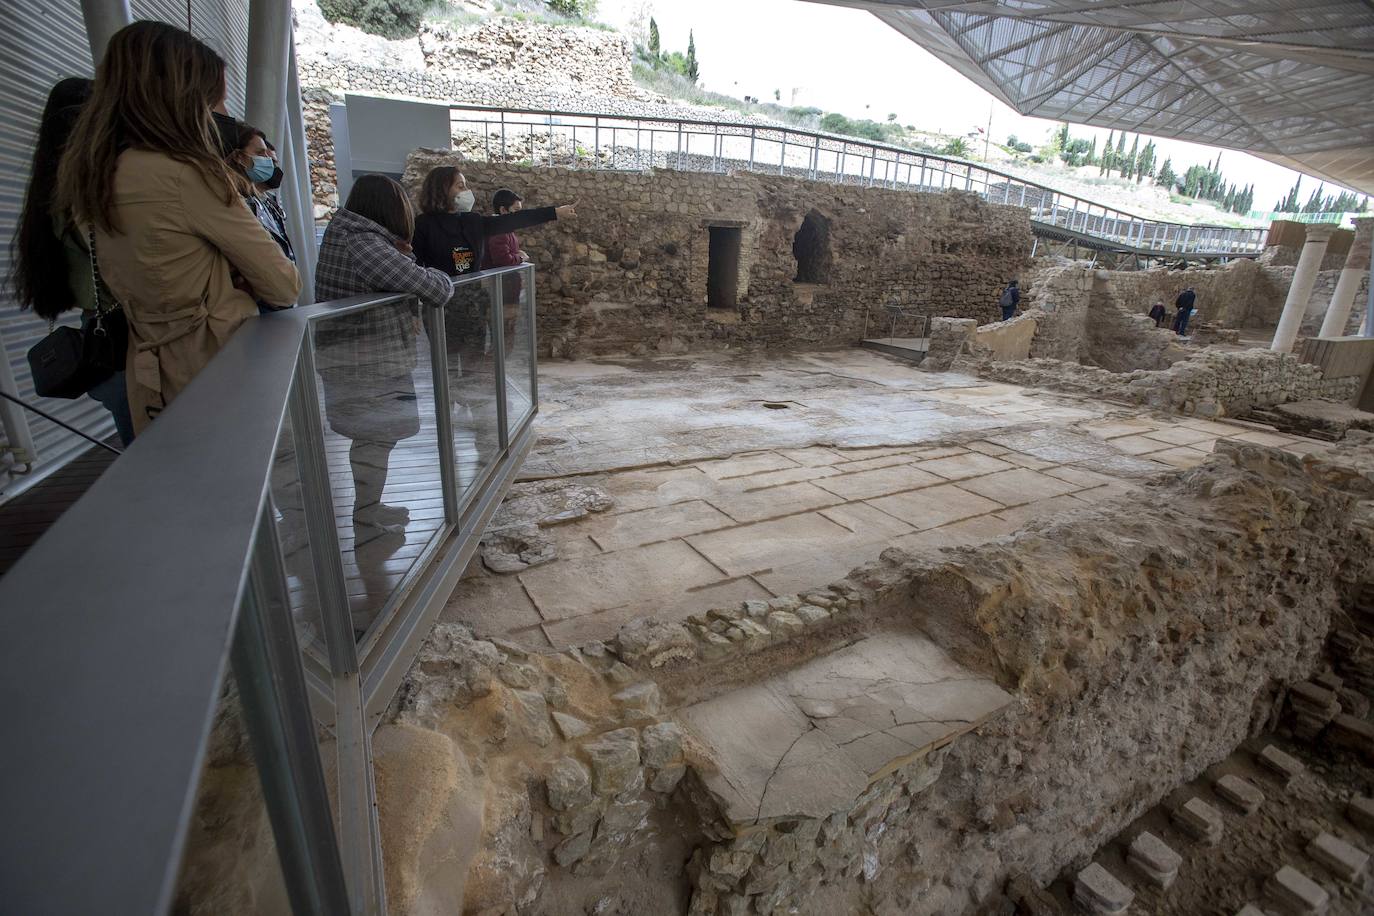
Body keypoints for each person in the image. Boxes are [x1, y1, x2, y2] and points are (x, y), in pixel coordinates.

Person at [57, 21, 300, 434]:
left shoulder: (93, 174)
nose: (216, 119)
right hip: (219, 367)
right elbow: (283, 284)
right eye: (212, 106)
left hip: (149, 370)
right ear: (180, 100)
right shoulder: (185, 177)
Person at [314, 174, 454, 539]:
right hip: (365, 363)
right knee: (373, 438)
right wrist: (428, 269)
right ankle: (365, 514)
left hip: (361, 359)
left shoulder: (354, 237)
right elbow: (435, 288)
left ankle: (369, 506)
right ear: (390, 208)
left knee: (374, 438)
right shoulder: (363, 243)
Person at [10, 77, 135, 447]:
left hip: (100, 332)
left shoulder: (49, 193)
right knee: (158, 456)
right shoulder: (87, 197)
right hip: (124, 339)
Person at [412, 166, 573, 379]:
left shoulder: (472, 221)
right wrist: (412, 310)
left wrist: (554, 212)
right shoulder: (423, 225)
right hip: (440, 309)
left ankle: (473, 405)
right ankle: (448, 406)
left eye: (466, 186)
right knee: (446, 367)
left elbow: (513, 220)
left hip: (472, 306)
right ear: (442, 189)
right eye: (461, 186)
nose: (467, 191)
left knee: (474, 363)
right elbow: (413, 269)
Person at [225, 123, 295, 310]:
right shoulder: (233, 202)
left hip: (272, 300)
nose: (269, 162)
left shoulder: (259, 200)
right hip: (257, 303)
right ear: (239, 156)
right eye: (260, 153)